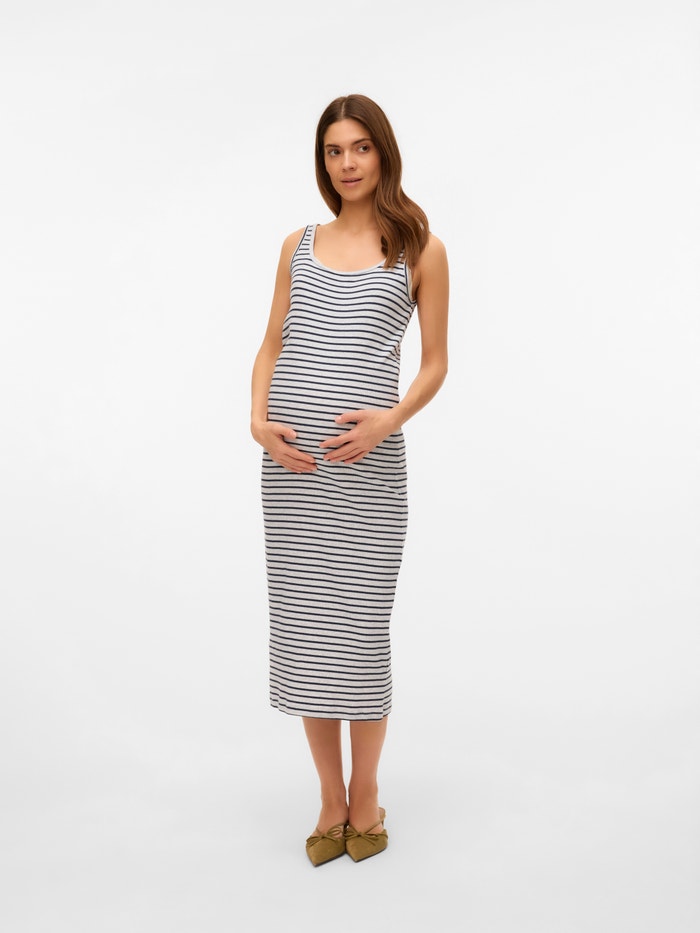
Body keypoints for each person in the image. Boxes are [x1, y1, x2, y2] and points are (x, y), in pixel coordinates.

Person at [250, 94, 449, 865]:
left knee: (359, 636)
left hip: (367, 473)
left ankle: (366, 793)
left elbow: (434, 364)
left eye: (360, 147)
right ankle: (330, 799)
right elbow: (272, 343)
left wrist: (387, 421)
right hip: (293, 472)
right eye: (334, 150)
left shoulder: (420, 248)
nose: (347, 162)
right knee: (309, 635)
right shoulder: (297, 245)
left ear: (383, 152)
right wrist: (258, 420)